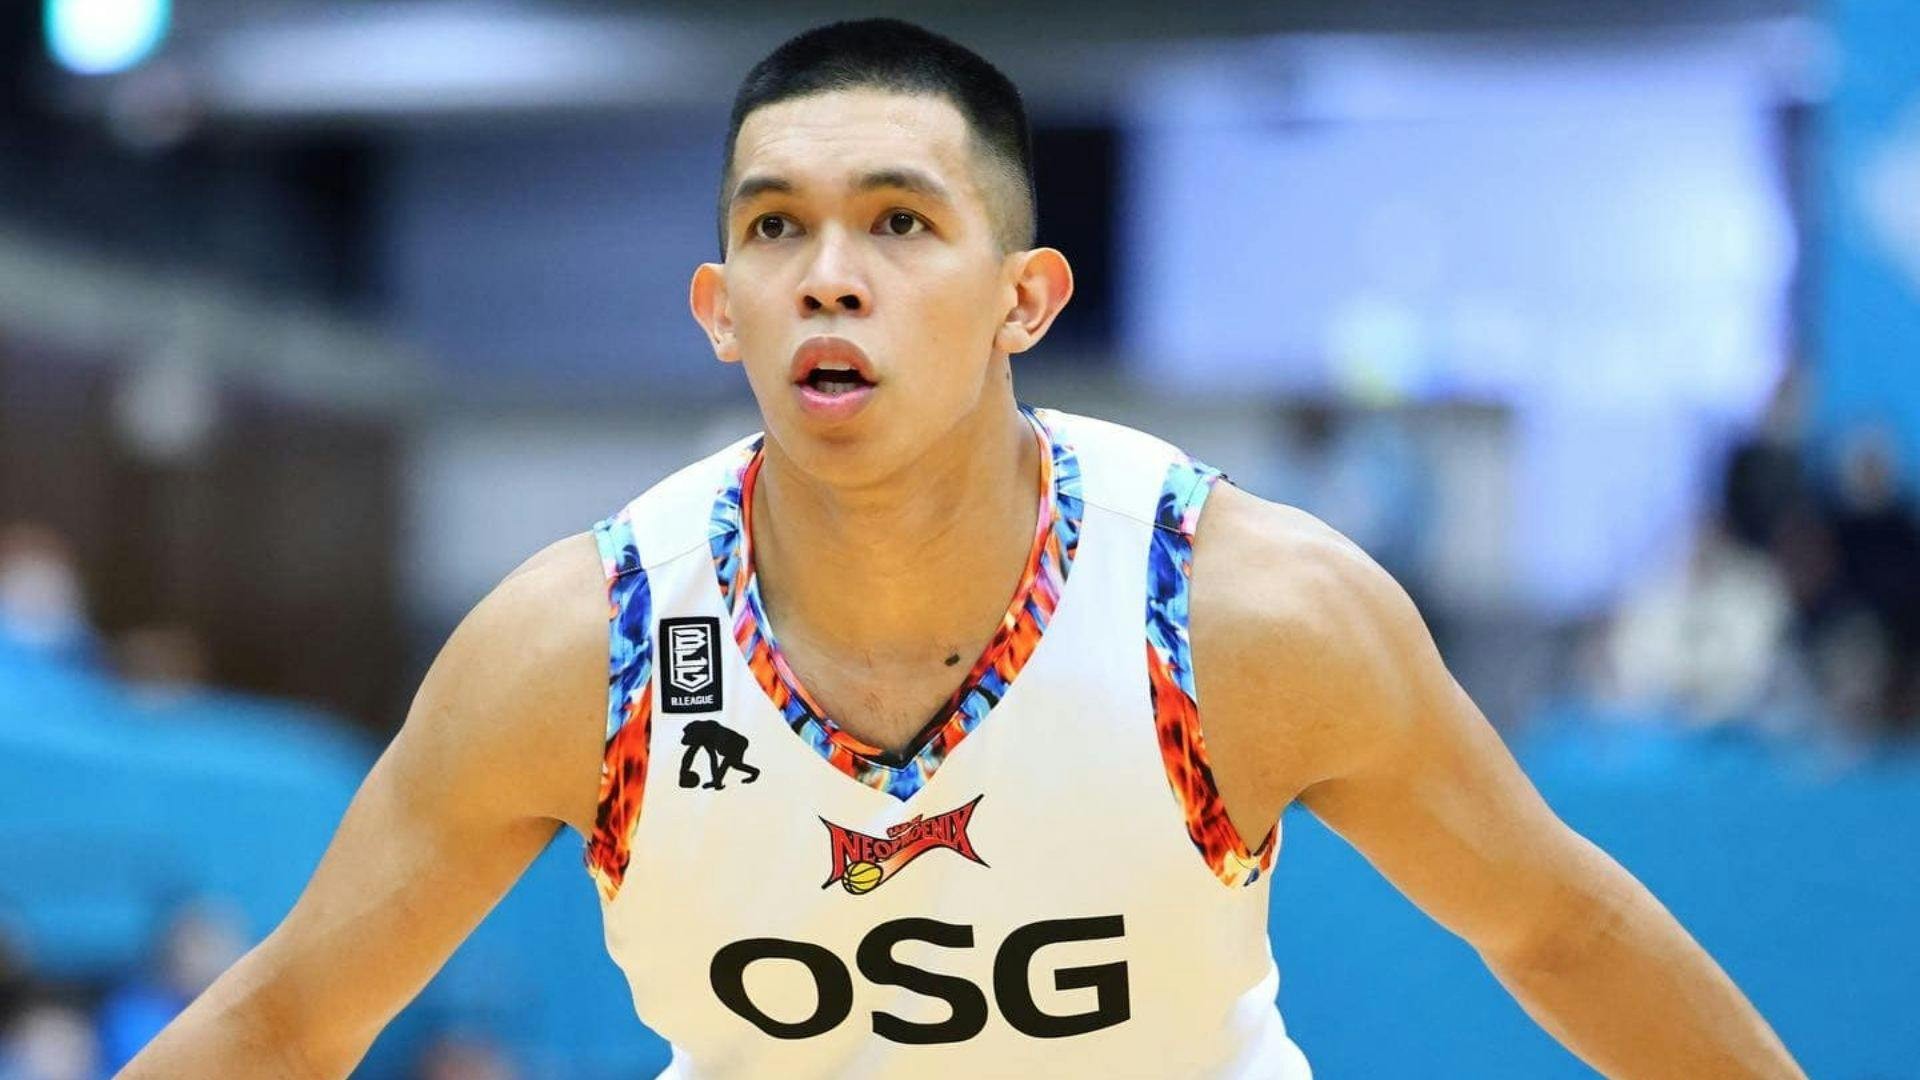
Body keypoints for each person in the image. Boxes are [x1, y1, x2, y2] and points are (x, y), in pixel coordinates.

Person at [123, 18, 1804, 1079]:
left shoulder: (1244, 613)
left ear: (1026, 299)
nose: (828, 274)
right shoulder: (586, 647)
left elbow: (1560, 929)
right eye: (775, 227)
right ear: (719, 310)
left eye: (899, 221)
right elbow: (290, 1016)